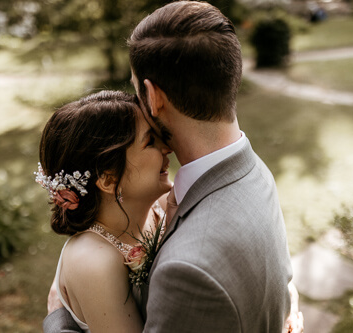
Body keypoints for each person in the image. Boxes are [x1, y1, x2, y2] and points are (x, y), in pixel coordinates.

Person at [44, 1, 302, 332]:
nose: (162, 147)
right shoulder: (254, 172)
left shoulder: (187, 269)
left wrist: (57, 320)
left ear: (153, 97)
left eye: (136, 91)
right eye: (149, 142)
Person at [37, 90, 173, 332]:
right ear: (109, 179)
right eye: (150, 141)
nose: (167, 148)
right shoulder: (95, 263)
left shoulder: (163, 204)